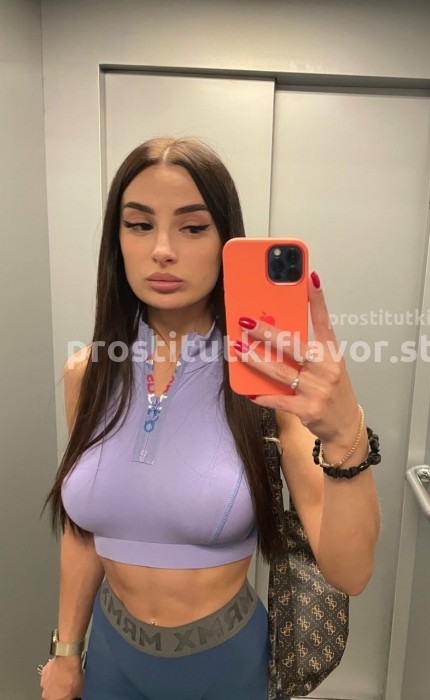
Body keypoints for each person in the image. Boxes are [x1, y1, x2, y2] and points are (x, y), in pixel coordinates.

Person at [40, 136, 381, 700]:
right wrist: (66, 652)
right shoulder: (89, 374)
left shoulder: (270, 384)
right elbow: (84, 531)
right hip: (110, 661)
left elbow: (351, 572)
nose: (162, 250)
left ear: (226, 241)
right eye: (139, 225)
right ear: (117, 241)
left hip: (225, 668)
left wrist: (347, 433)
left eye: (193, 227)